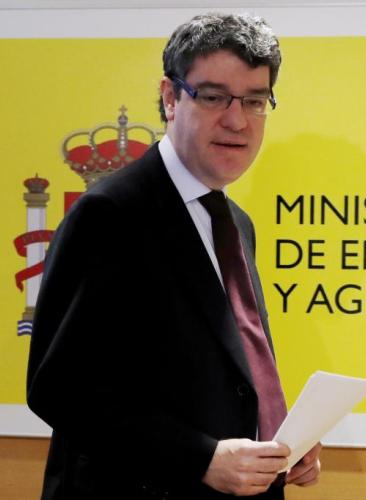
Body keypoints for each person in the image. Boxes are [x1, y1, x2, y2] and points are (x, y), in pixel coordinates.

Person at [26, 12, 320, 500]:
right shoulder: (109, 214)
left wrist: (278, 440)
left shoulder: (236, 222)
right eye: (213, 96)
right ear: (170, 97)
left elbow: (227, 371)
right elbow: (60, 388)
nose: (237, 120)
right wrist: (200, 459)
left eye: (254, 101)